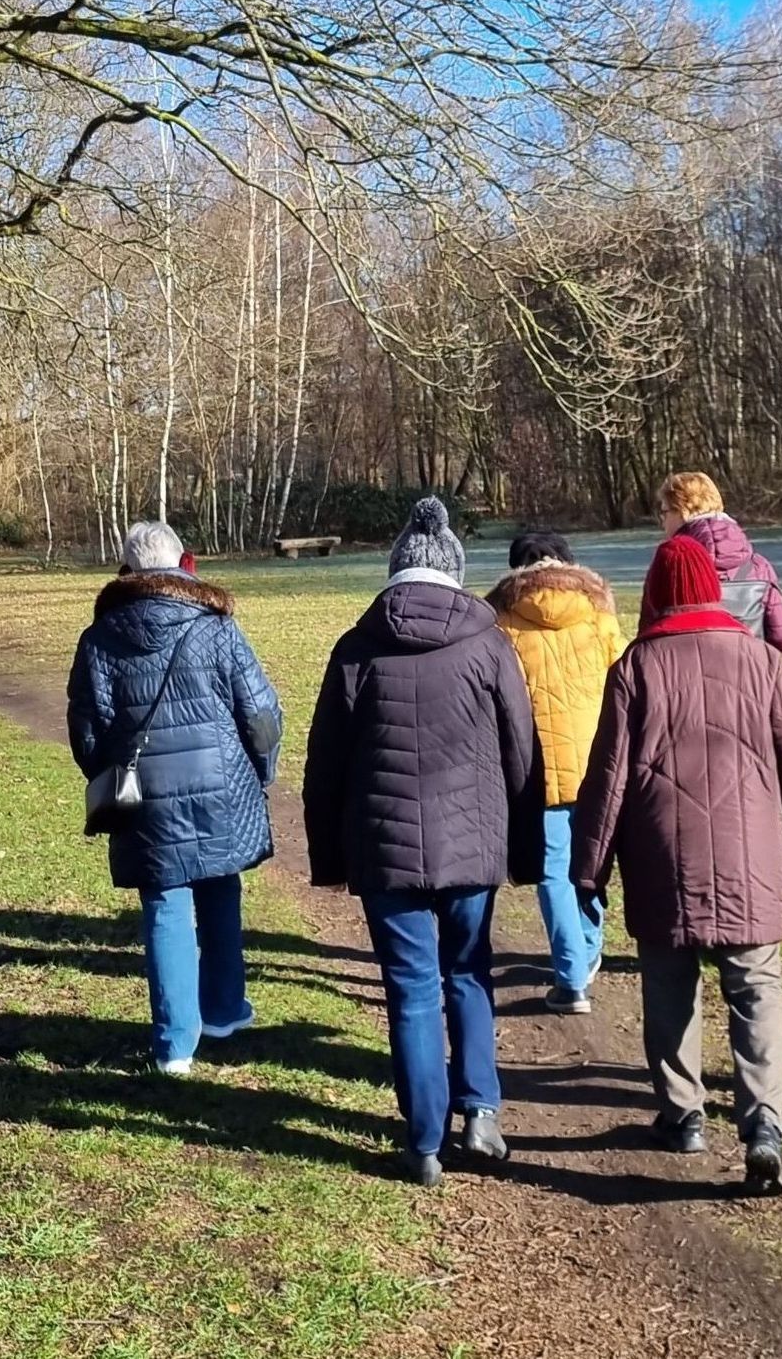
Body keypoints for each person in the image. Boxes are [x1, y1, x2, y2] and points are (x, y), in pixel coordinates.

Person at [572, 536, 782, 1195]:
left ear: (656, 591)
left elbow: (608, 777)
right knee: (756, 988)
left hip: (662, 851)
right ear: (713, 590)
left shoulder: (636, 666)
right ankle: (764, 1123)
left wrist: (589, 866)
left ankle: (682, 1113)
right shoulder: (762, 660)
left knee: (668, 985)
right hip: (751, 854)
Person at [303, 497, 544, 1187]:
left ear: (395, 570)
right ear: (455, 573)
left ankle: (423, 1142)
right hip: (472, 841)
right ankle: (481, 1111)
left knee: (410, 989)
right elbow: (522, 752)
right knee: (468, 971)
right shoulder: (489, 643)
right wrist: (526, 850)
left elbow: (325, 764)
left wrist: (329, 859)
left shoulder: (356, 647)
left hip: (384, 849)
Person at [67, 520, 282, 1076]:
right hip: (221, 788)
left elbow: (87, 731)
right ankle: (225, 1010)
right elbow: (260, 713)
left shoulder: (99, 638)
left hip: (144, 799)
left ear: (127, 568)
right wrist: (263, 770)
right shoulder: (217, 628)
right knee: (221, 888)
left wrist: (110, 778)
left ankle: (175, 1046)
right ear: (181, 561)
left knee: (165, 907)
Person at [488, 531, 623, 1015]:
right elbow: (625, 682)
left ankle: (572, 976)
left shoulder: (501, 623)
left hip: (537, 765)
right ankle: (587, 947)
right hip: (599, 762)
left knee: (553, 871)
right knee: (593, 862)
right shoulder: (599, 616)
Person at [644, 471, 782, 652]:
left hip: (684, 666)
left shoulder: (669, 566)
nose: (662, 521)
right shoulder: (759, 567)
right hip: (749, 664)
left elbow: (648, 638)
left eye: (664, 512)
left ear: (682, 511)